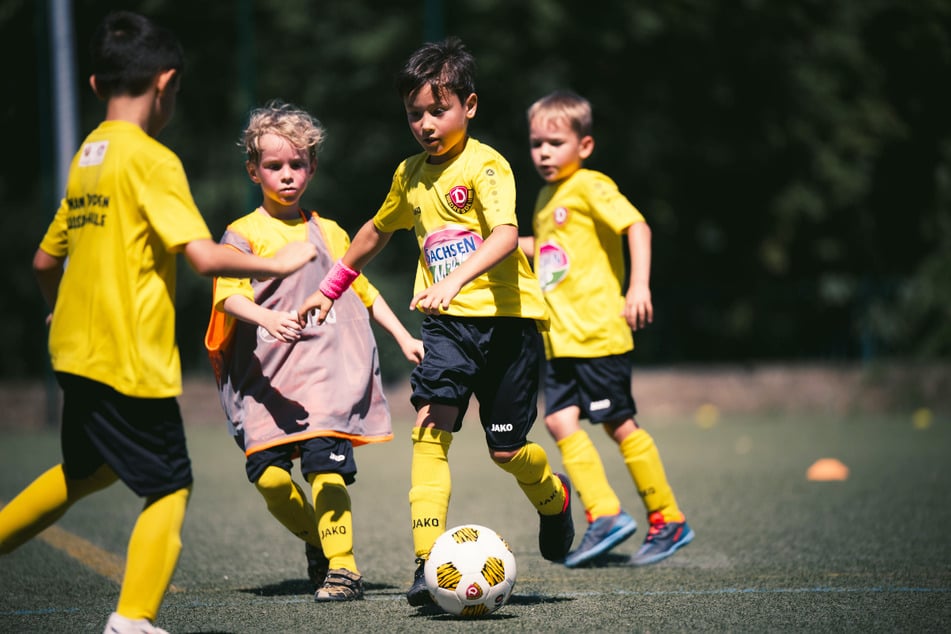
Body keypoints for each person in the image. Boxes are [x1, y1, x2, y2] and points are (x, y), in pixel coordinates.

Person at [0, 12, 316, 634]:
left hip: (72, 352)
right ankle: (133, 620)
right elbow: (200, 256)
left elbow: (44, 260)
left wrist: (56, 307)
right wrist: (274, 259)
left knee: (85, 472)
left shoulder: (87, 157)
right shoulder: (151, 160)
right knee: (170, 486)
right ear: (167, 83)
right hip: (127, 358)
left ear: (96, 85)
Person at [297, 37, 575, 607]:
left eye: (436, 109)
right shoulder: (409, 175)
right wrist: (330, 290)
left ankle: (554, 499)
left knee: (507, 451)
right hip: (446, 329)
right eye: (414, 114)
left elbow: (503, 235)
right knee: (430, 430)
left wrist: (455, 279)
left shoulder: (487, 164)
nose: (424, 123)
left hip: (507, 325)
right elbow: (375, 232)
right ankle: (427, 565)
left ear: (468, 107)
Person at [204, 100, 424, 602]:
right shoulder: (242, 233)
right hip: (267, 380)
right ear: (253, 170)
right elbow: (229, 296)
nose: (287, 175)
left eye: (297, 164)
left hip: (326, 376)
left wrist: (403, 335)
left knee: (326, 470)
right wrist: (267, 318)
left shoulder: (330, 232)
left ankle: (344, 568)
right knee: (271, 482)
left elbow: (362, 292)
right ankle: (317, 542)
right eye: (274, 166)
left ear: (312, 167)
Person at [519, 90, 694, 568]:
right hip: (561, 338)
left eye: (555, 142)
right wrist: (508, 242)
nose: (544, 153)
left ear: (585, 145)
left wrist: (638, 286)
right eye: (537, 143)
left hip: (597, 331)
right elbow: (555, 248)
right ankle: (606, 515)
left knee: (618, 423)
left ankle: (667, 517)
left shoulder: (591, 185)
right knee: (557, 420)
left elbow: (636, 226)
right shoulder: (546, 195)